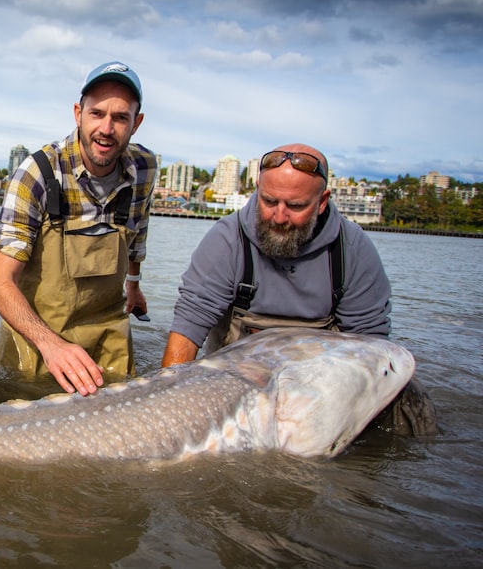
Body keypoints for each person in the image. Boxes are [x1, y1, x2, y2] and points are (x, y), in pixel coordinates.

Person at [162, 143, 437, 436]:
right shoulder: (227, 240)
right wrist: (166, 408)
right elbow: (188, 328)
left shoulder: (352, 249)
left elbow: (370, 350)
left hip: (320, 385)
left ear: (322, 201)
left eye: (295, 206)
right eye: (268, 201)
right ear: (257, 189)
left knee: (408, 409)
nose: (279, 217)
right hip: (238, 379)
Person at [0, 61, 158, 396]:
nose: (107, 129)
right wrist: (51, 346)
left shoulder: (144, 167)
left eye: (121, 117)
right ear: (78, 113)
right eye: (97, 114)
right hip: (37, 338)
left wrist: (134, 286)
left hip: (109, 334)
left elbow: (137, 234)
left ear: (136, 123)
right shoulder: (36, 173)